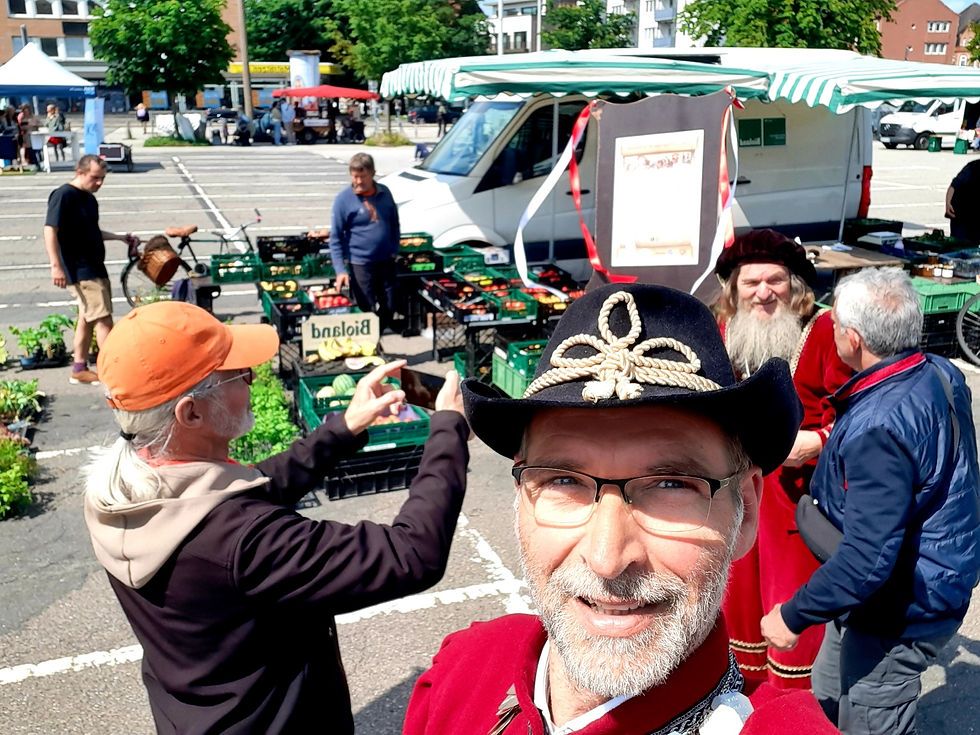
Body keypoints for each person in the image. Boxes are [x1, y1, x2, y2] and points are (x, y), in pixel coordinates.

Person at [405, 283, 839, 734]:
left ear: (745, 511)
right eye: (563, 480)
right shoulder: (463, 671)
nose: (607, 558)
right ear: (520, 499)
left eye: (671, 484)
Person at [82, 300, 471, 733]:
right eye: (240, 376)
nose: (251, 382)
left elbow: (254, 485)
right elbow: (411, 553)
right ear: (190, 412)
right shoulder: (243, 541)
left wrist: (344, 428)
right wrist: (449, 429)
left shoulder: (120, 492)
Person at [761, 268, 980, 735]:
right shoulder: (938, 370)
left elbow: (867, 560)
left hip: (903, 603)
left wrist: (792, 616)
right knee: (826, 690)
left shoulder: (879, 426)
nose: (832, 329)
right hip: (904, 581)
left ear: (853, 338)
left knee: (869, 714)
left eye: (836, 323)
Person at [713, 229, 852, 690]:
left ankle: (798, 706)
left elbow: (860, 413)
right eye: (751, 283)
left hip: (799, 493)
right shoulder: (722, 330)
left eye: (775, 280)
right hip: (735, 483)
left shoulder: (825, 331)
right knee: (736, 597)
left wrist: (818, 440)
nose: (764, 292)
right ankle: (743, 696)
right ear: (734, 289)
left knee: (791, 600)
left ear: (795, 286)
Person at [43, 154, 140, 385]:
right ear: (80, 172)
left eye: (102, 179)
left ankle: (79, 367)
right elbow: (50, 229)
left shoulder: (89, 199)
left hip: (95, 266)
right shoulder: (64, 195)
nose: (99, 183)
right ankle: (111, 373)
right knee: (104, 320)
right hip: (80, 270)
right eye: (95, 178)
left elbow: (92, 232)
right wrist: (55, 266)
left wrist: (119, 238)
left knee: (86, 318)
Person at [328, 152, 401, 331]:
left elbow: (394, 223)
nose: (358, 181)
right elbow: (336, 237)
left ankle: (377, 336)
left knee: (390, 306)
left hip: (386, 261)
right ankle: (371, 346)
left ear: (373, 174)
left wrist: (394, 248)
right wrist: (340, 270)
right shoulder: (343, 199)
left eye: (362, 176)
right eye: (355, 177)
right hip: (360, 264)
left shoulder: (385, 193)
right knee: (365, 310)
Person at [945, 158, 980, 244]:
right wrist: (948, 203)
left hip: (975, 220)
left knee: (971, 249)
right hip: (961, 215)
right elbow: (954, 185)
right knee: (958, 246)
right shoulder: (972, 167)